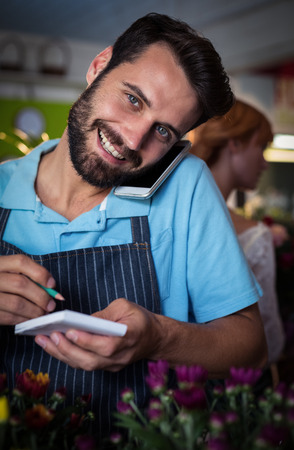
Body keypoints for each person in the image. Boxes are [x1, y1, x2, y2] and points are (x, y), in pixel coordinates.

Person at [0, 14, 267, 438]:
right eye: (133, 100)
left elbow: (251, 351)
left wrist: (159, 338)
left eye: (163, 130)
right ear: (99, 65)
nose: (133, 139)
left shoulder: (186, 187)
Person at [189, 99, 285, 383]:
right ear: (235, 144)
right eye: (262, 146)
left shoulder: (173, 214)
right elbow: (269, 341)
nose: (265, 162)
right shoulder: (254, 234)